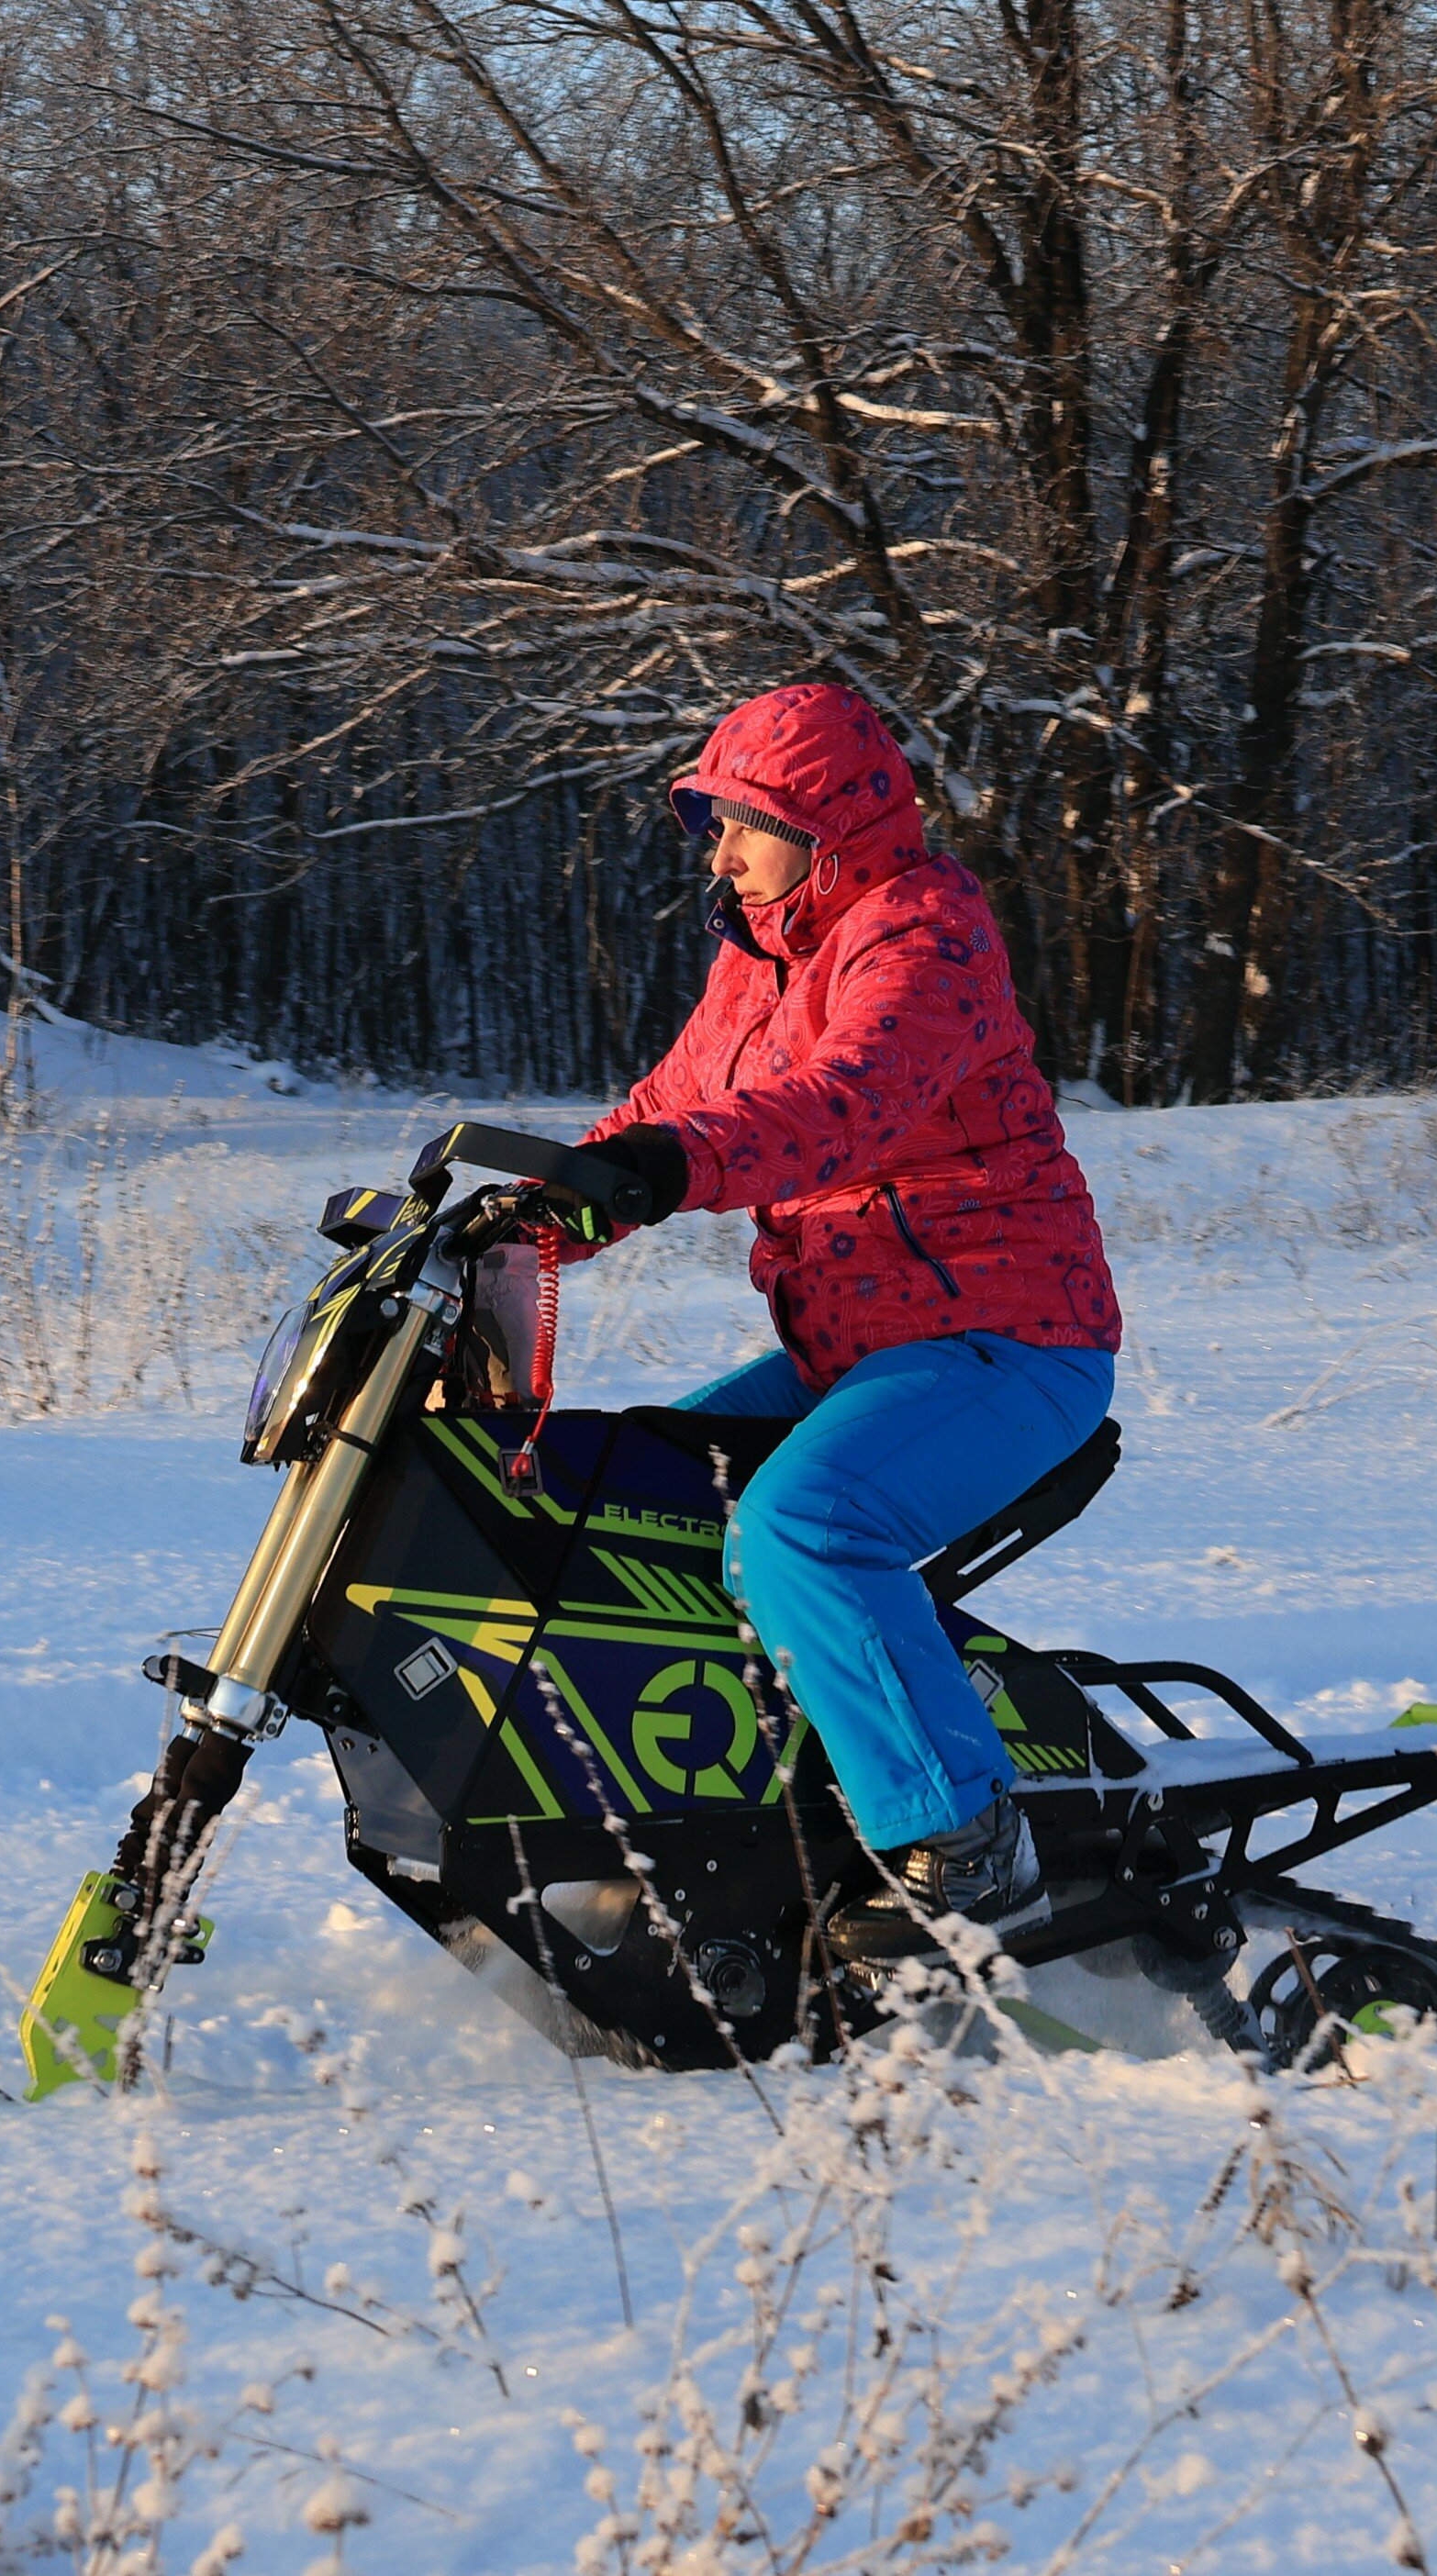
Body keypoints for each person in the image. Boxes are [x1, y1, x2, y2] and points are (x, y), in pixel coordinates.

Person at [538, 679, 1120, 1935]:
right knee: (632, 1502)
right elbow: (658, 1110)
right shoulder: (759, 958)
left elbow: (843, 1106)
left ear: (829, 833)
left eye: (746, 822)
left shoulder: (924, 936)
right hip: (849, 1347)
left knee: (802, 1526)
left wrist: (673, 1172)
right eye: (712, 822)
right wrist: (524, 1217)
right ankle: (707, 1815)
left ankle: (967, 1841)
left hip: (1009, 1341)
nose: (724, 851)